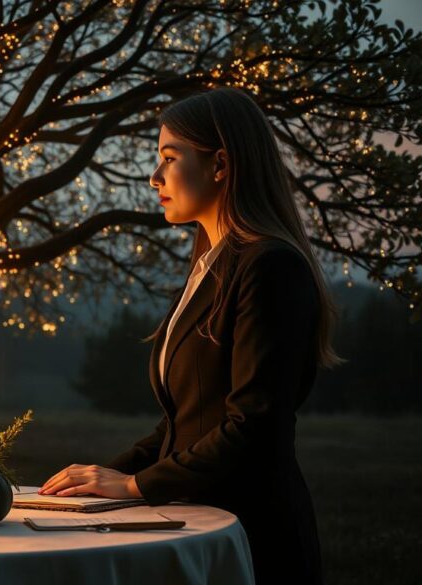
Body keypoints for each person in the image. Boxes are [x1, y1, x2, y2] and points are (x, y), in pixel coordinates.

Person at [40, 88, 339, 584]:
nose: (154, 177)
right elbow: (186, 422)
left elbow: (254, 427)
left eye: (170, 158)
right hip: (197, 523)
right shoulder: (211, 267)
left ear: (220, 164)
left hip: (250, 533)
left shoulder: (270, 267)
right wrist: (98, 480)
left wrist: (135, 485)